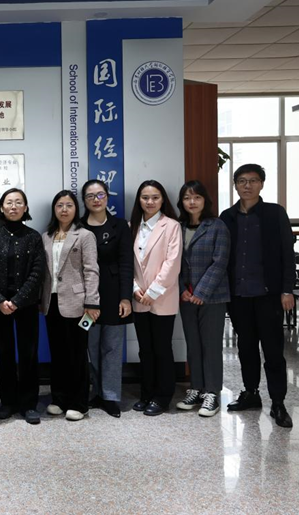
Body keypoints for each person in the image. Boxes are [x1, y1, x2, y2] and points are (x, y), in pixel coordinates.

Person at [220, 164, 295, 428]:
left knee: (273, 351)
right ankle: (251, 393)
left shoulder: (275, 213)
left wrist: (287, 289)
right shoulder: (227, 217)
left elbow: (287, 253)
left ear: (262, 183)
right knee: (246, 348)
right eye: (242, 181)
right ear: (235, 185)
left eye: (253, 180)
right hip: (239, 295)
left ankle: (278, 402)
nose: (247, 185)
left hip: (269, 295)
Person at [40, 190, 100, 421]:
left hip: (79, 303)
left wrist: (92, 302)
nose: (64, 209)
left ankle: (79, 403)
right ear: (54, 209)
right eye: (59, 205)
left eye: (69, 205)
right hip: (51, 302)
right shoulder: (46, 236)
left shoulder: (85, 235)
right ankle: (59, 398)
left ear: (76, 208)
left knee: (77, 353)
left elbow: (91, 270)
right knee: (58, 353)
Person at [0, 188, 45, 425]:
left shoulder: (34, 237)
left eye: (18, 202)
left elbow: (37, 273)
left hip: (26, 304)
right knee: (5, 353)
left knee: (28, 353)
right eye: (9, 202)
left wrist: (18, 300)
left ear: (25, 208)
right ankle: (8, 402)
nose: (13, 206)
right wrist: (0, 300)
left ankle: (29, 404)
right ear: (1, 208)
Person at [175, 180, 230, 417]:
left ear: (205, 201)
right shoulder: (177, 227)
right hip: (186, 297)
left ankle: (212, 393)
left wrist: (201, 292)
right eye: (187, 198)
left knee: (211, 345)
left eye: (197, 197)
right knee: (193, 345)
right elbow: (172, 263)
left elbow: (220, 262)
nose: (192, 202)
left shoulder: (217, 226)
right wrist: (181, 289)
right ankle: (196, 388)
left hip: (212, 297)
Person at [80, 179, 133, 418]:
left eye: (100, 195)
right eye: (90, 196)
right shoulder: (79, 227)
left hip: (113, 297)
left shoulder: (120, 226)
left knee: (111, 347)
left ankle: (110, 396)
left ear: (107, 197)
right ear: (84, 201)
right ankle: (97, 392)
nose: (96, 199)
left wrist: (125, 298)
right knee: (90, 346)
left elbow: (126, 263)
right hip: (85, 299)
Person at [130, 180, 181, 417]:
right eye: (145, 197)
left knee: (162, 349)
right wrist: (134, 288)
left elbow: (172, 263)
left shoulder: (171, 226)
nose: (150, 202)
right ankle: (146, 394)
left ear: (163, 200)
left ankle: (162, 397)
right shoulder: (132, 226)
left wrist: (152, 291)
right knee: (145, 350)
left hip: (162, 297)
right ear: (139, 200)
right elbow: (127, 262)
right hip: (138, 297)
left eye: (155, 197)